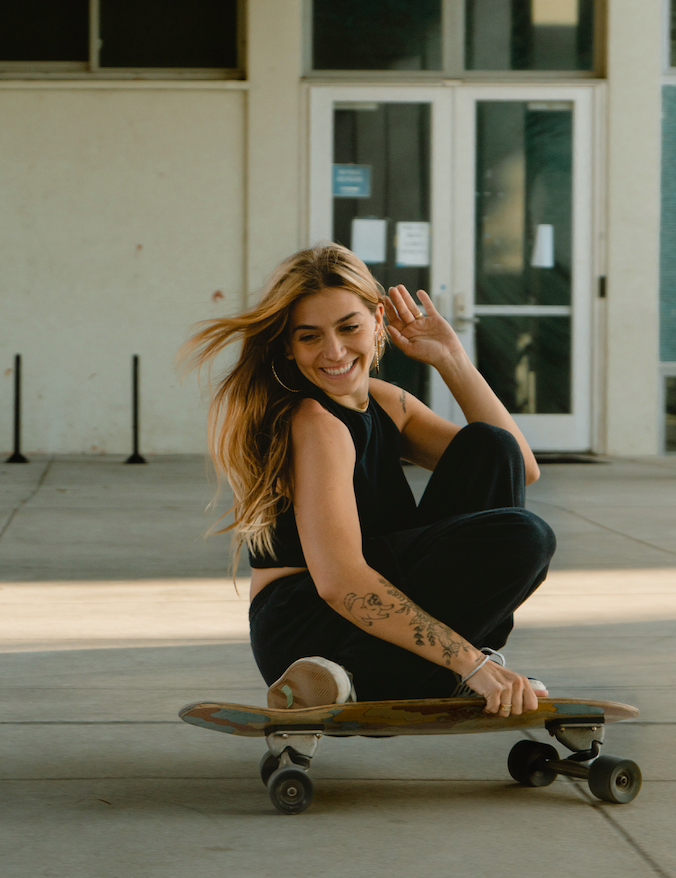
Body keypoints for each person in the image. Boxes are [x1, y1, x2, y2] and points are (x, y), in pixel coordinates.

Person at [184, 242, 556, 717]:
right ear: (288, 346)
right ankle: (353, 678)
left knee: (490, 446)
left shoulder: (385, 402)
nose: (334, 351)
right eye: (309, 336)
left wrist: (451, 359)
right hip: (308, 627)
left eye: (348, 327)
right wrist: (472, 665)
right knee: (524, 538)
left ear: (379, 321)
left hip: (371, 603)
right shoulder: (314, 423)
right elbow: (339, 581)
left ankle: (416, 671)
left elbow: (519, 467)